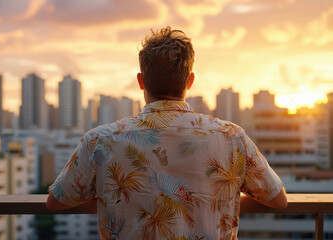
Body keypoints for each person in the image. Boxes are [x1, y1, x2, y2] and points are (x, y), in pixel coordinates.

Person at [46, 26, 287, 240]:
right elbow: (278, 199)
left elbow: (56, 201)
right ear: (189, 81)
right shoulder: (231, 137)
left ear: (141, 81)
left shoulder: (100, 141)